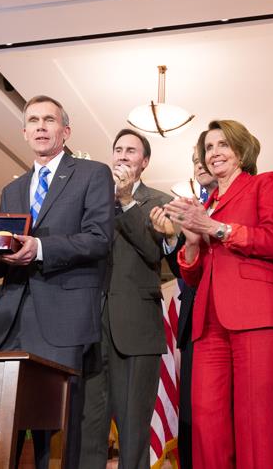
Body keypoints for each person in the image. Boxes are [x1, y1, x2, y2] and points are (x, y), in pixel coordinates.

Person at [0, 95, 114, 469]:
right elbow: (9, 252)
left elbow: (99, 238)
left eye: (49, 120)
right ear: (25, 131)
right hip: (9, 319)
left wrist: (41, 248)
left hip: (62, 320)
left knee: (57, 433)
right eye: (33, 120)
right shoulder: (14, 188)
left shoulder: (92, 173)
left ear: (65, 131)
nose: (40, 127)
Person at [164, 120, 273, 469]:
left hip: (258, 317)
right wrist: (192, 244)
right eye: (208, 148)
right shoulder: (206, 203)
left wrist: (215, 228)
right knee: (208, 426)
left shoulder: (264, 183)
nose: (215, 153)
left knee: (255, 426)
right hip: (208, 324)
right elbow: (192, 275)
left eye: (223, 144)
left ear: (241, 150)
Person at [79, 129, 172, 469]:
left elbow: (153, 252)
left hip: (136, 327)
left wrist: (126, 201)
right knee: (88, 425)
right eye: (117, 150)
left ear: (144, 162)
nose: (122, 156)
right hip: (90, 325)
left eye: (131, 151)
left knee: (134, 428)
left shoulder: (160, 201)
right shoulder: (92, 197)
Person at [149, 132, 218, 469]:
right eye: (194, 160)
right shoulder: (186, 209)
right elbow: (180, 268)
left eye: (204, 155)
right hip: (193, 326)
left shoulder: (236, 198)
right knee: (190, 414)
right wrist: (172, 238)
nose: (200, 163)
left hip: (229, 319)